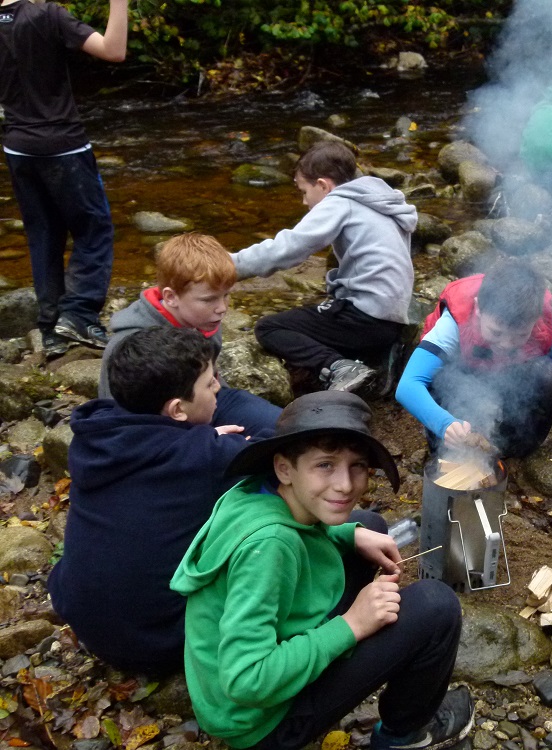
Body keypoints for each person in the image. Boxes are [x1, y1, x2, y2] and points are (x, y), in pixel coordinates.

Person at [170, 391, 471, 750]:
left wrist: (349, 534)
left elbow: (301, 527)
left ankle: (347, 547)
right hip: (259, 723)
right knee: (436, 606)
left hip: (234, 693)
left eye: (357, 465)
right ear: (284, 467)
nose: (345, 485)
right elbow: (247, 680)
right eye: (325, 465)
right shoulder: (270, 547)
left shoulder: (253, 492)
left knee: (366, 523)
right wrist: (352, 625)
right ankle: (403, 736)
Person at [48, 327, 258, 675]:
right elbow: (276, 451)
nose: (219, 386)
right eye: (209, 383)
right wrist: (211, 443)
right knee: (264, 515)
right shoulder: (204, 457)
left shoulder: (95, 439)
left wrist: (201, 440)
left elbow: (169, 456)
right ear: (177, 410)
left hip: (86, 623)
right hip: (160, 644)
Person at [230, 141, 417, 395]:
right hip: (392, 320)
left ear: (323, 185)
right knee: (323, 311)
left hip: (365, 319)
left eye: (304, 191)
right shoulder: (381, 202)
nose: (304, 202)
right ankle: (378, 358)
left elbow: (289, 248)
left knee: (270, 327)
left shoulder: (340, 202)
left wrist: (231, 265)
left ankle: (340, 367)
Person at [0, 0, 128, 357]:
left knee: (43, 235)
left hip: (17, 148)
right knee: (94, 229)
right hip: (63, 146)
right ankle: (80, 315)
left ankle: (51, 328)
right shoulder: (48, 15)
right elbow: (113, 51)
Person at [396, 258, 552, 473]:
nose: (505, 344)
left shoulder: (542, 325)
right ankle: (449, 445)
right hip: (460, 378)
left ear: (535, 320)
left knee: (550, 375)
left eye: (520, 335)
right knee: (441, 377)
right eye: (496, 332)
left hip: (507, 379)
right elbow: (408, 385)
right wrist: (444, 424)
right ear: (478, 308)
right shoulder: (454, 322)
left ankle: (514, 448)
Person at [98, 232, 281, 436]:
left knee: (288, 428)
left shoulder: (203, 318)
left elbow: (213, 381)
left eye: (226, 295)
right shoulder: (129, 343)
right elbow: (116, 419)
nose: (222, 308)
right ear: (171, 297)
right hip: (158, 428)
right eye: (208, 299)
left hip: (210, 401)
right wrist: (207, 440)